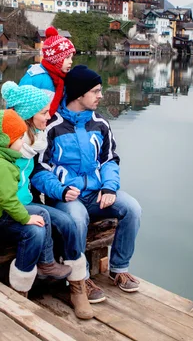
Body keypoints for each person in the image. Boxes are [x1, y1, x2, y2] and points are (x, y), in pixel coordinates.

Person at [0, 83, 93, 319]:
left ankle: (78, 286)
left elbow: (41, 172)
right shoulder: (2, 137)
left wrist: (60, 189)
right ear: (28, 115)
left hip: (23, 203)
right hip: (2, 208)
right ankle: (20, 293)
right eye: (44, 112)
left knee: (67, 222)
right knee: (36, 231)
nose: (50, 116)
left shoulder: (39, 138)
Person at [31, 65, 142, 304]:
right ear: (79, 94)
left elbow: (110, 160)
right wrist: (60, 190)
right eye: (95, 91)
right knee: (77, 218)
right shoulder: (52, 126)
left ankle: (118, 268)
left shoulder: (100, 123)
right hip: (65, 197)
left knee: (132, 208)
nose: (101, 96)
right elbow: (39, 171)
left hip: (96, 193)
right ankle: (80, 278)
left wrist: (109, 187)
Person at [19, 26, 75, 115]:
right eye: (67, 57)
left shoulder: (63, 79)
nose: (71, 62)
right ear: (55, 59)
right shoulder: (35, 77)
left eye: (72, 58)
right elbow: (18, 106)